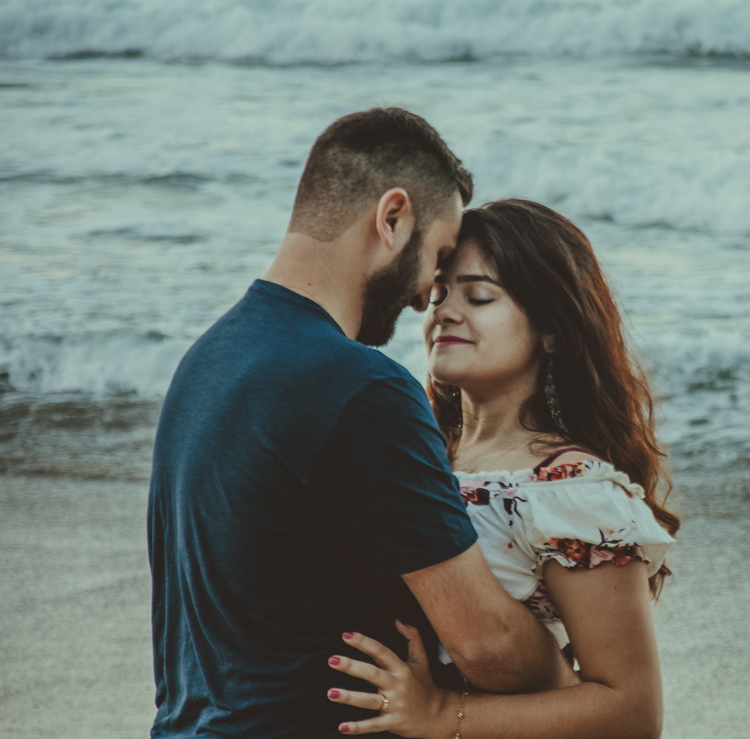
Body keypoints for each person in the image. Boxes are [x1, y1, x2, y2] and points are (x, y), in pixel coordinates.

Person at [147, 111, 574, 739]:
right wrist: (579, 694)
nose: (428, 294)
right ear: (392, 217)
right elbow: (487, 645)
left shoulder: (208, 360)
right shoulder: (359, 387)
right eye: (438, 258)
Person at [325, 200, 681, 739]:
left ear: (552, 329)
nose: (444, 310)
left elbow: (632, 714)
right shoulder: (416, 455)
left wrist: (443, 715)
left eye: (480, 295)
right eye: (438, 292)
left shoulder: (571, 490)